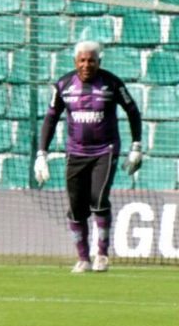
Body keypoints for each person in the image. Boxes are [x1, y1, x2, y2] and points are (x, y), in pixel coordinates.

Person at [34, 40, 142, 274]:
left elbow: (132, 111)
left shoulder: (112, 83)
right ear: (75, 62)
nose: (86, 65)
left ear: (99, 62)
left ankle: (101, 254)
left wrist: (136, 146)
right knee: (76, 207)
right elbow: (50, 119)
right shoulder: (63, 85)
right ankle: (83, 258)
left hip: (105, 149)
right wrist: (41, 154)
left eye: (91, 60)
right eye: (82, 60)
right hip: (75, 152)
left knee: (99, 198)